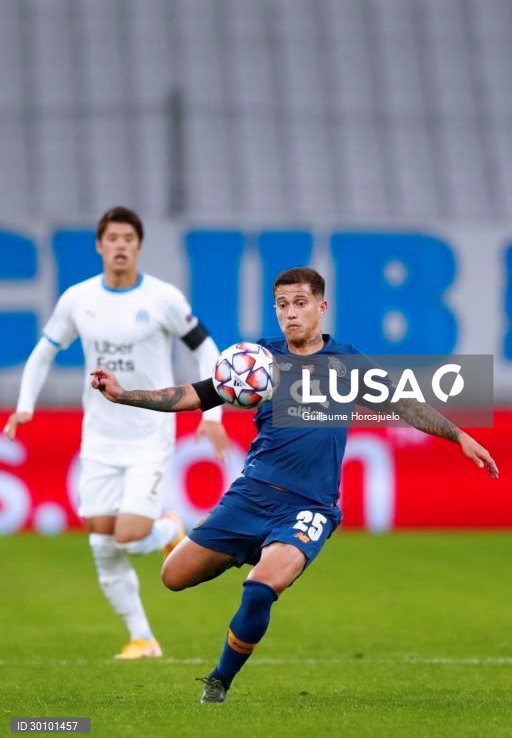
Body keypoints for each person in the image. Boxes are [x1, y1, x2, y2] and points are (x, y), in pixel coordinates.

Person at [90, 266, 499, 699]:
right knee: (172, 577)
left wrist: (458, 435)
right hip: (250, 496)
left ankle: (219, 681)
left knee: (261, 590)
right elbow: (195, 395)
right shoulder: (258, 360)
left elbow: (404, 403)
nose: (291, 313)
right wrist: (125, 394)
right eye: (282, 305)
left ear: (321, 308)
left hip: (309, 507)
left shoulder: (346, 363)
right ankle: (228, 545)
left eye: (300, 303)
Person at [3, 206, 229, 660]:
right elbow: (44, 352)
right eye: (113, 238)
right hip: (101, 438)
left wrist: (212, 413)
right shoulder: (79, 299)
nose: (121, 245)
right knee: (101, 541)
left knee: (127, 534)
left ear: (139, 246)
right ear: (100, 246)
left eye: (129, 238)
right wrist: (25, 406)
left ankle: (168, 527)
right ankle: (142, 638)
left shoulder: (163, 298)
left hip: (149, 434)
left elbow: (208, 349)